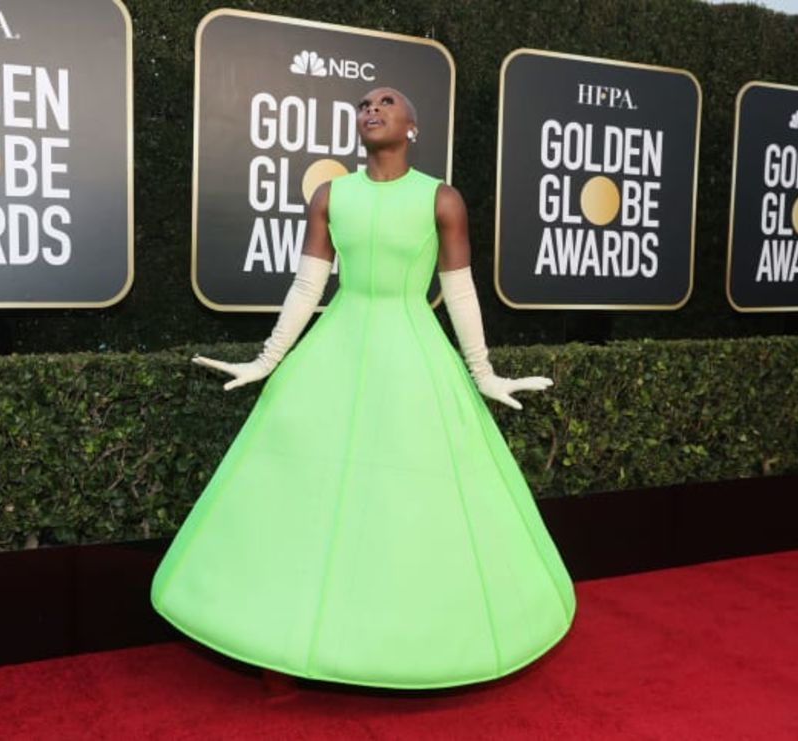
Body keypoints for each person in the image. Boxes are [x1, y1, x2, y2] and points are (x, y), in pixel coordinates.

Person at [151, 86, 576, 690]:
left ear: (413, 125)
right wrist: (269, 359)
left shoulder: (441, 198)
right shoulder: (332, 195)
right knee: (308, 494)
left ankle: (405, 636)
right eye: (364, 105)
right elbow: (307, 287)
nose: (371, 109)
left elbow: (459, 291)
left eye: (387, 102)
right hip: (335, 349)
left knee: (408, 498)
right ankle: (281, 634)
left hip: (414, 355)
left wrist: (482, 372)